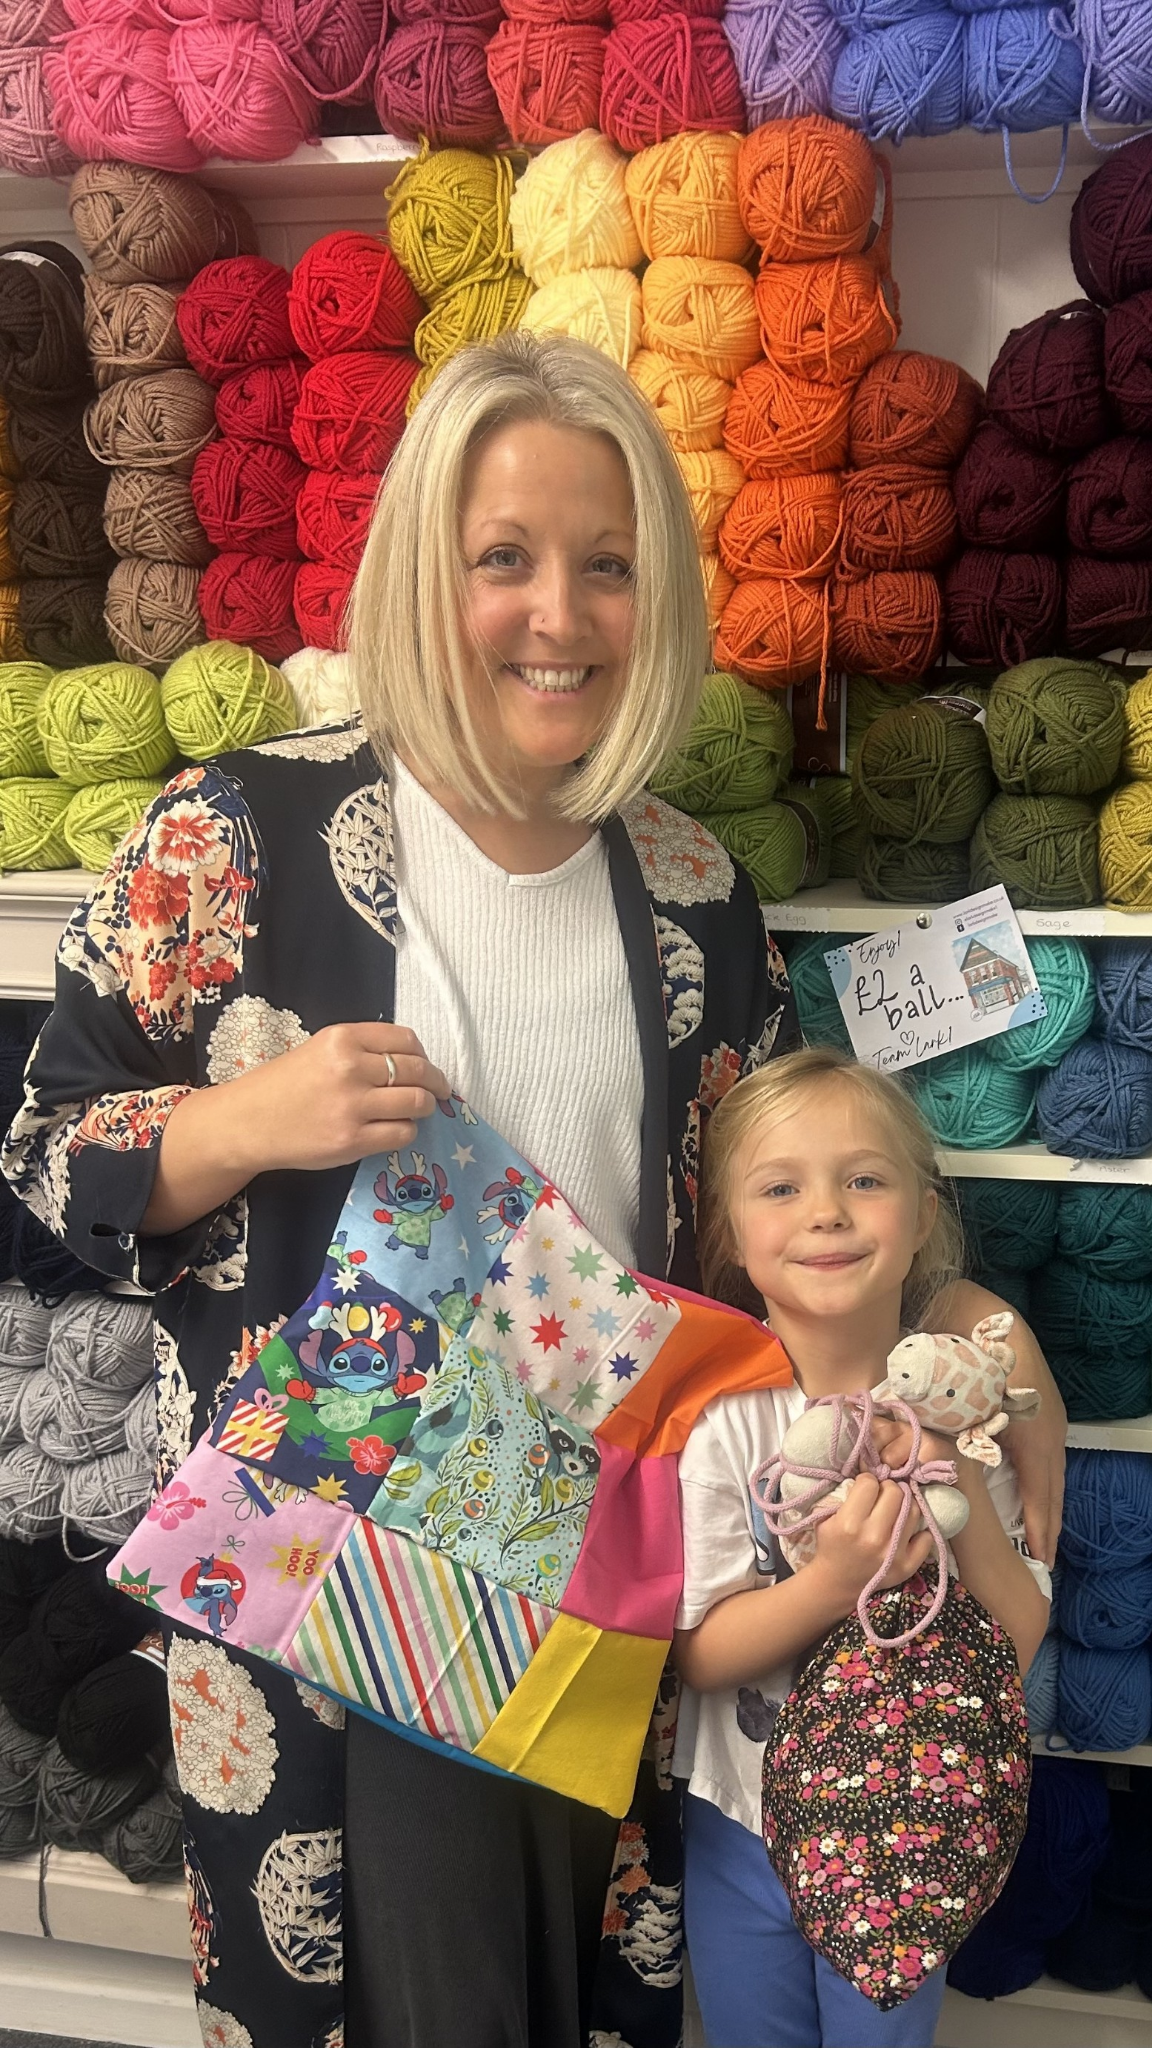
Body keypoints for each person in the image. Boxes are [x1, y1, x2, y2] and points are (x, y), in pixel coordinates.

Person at [2, 330, 1063, 2048]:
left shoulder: (691, 889)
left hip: (625, 1553)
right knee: (370, 1993)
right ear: (425, 574)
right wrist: (245, 1119)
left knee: (589, 1981)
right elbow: (50, 1153)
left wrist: (961, 1308)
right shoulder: (237, 833)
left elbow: (776, 1216)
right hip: (333, 1552)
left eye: (605, 565)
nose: (555, 615)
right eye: (501, 556)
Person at [674, 1047, 1053, 2048]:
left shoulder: (967, 1421)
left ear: (924, 1216)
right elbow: (699, 1654)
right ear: (731, 1231)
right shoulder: (723, 1427)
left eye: (865, 1180)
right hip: (739, 1822)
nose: (827, 1212)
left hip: (911, 1828)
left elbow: (1016, 1634)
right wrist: (836, 1578)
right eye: (780, 1187)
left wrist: (952, 1465)